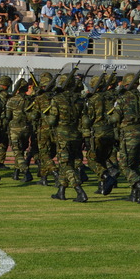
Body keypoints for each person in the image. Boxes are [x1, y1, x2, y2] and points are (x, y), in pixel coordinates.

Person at [108, 72, 140, 204]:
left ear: (126, 84)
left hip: (129, 135)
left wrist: (108, 118)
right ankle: (134, 195)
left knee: (124, 165)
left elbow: (115, 118)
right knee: (134, 165)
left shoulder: (122, 99)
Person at [47, 74, 87, 202]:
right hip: (76, 135)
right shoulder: (79, 99)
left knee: (65, 164)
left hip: (62, 135)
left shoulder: (57, 99)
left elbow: (52, 120)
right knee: (69, 162)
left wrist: (44, 117)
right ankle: (61, 191)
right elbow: (84, 119)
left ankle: (79, 190)